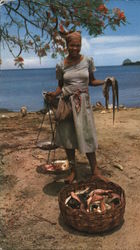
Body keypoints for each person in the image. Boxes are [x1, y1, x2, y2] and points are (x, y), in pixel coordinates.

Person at [45, 31, 108, 184]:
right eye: (72, 45)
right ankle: (73, 172)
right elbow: (61, 87)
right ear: (67, 46)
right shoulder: (61, 65)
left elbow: (91, 82)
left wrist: (106, 81)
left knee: (87, 136)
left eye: (78, 45)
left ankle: (95, 171)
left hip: (83, 105)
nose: (75, 48)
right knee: (68, 138)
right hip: (66, 104)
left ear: (81, 45)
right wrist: (53, 94)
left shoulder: (87, 61)